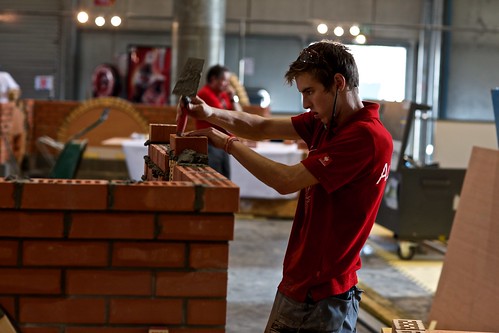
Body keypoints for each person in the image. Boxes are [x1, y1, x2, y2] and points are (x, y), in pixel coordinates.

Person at [180, 40, 393, 332]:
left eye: (310, 92)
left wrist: (227, 142)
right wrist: (210, 114)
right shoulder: (328, 121)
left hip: (320, 294)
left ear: (339, 83)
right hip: (305, 283)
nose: (306, 103)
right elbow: (261, 127)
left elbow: (286, 180)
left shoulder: (364, 137)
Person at [195, 64, 242, 178]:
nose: (227, 84)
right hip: (210, 144)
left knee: (225, 180)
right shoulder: (205, 94)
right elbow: (225, 119)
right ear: (213, 79)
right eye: (224, 80)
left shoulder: (224, 95)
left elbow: (240, 115)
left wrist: (233, 97)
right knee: (214, 181)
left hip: (222, 142)